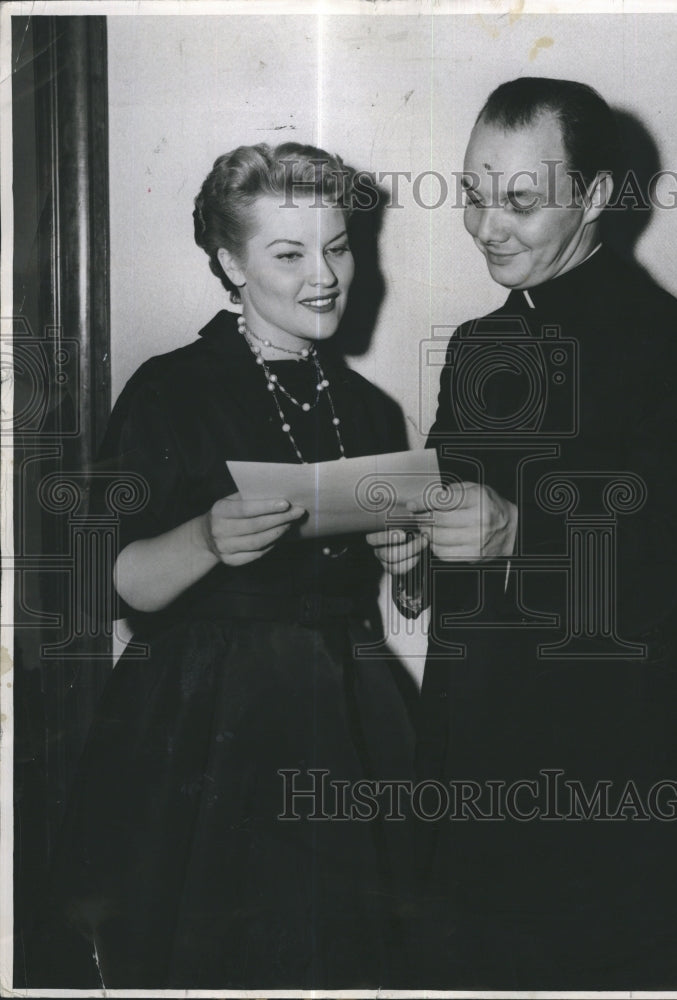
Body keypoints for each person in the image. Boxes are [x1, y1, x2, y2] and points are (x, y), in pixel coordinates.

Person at [368, 78, 677, 990]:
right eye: (473, 194)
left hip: (613, 837)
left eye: (520, 200)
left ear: (595, 198)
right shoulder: (482, 346)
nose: (485, 226)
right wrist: (412, 555)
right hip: (465, 817)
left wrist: (522, 533)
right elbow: (455, 537)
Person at [35, 142, 415, 989]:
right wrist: (204, 539)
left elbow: (399, 594)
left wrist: (409, 557)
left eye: (339, 245)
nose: (324, 276)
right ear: (228, 261)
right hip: (205, 731)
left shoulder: (369, 407)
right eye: (288, 253)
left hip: (351, 718)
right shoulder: (171, 390)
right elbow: (107, 584)